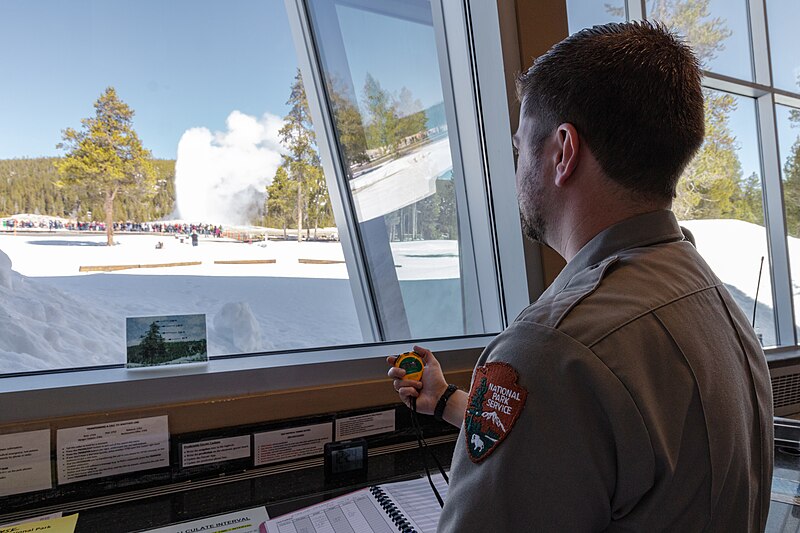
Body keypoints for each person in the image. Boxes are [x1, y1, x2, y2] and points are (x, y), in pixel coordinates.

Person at [388, 21, 773, 532]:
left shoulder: (556, 349)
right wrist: (445, 403)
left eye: (521, 146)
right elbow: (601, 441)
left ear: (563, 151)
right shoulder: (707, 296)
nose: (516, 164)